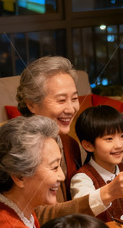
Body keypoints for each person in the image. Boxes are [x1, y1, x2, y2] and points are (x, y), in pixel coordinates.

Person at [16, 56, 83, 201]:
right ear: (32, 104)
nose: (71, 109)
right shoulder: (22, 154)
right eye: (61, 100)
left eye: (74, 99)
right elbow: (40, 215)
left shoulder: (71, 144)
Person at [71, 105, 123, 221]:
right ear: (88, 145)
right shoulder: (82, 178)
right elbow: (83, 211)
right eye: (109, 139)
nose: (119, 145)